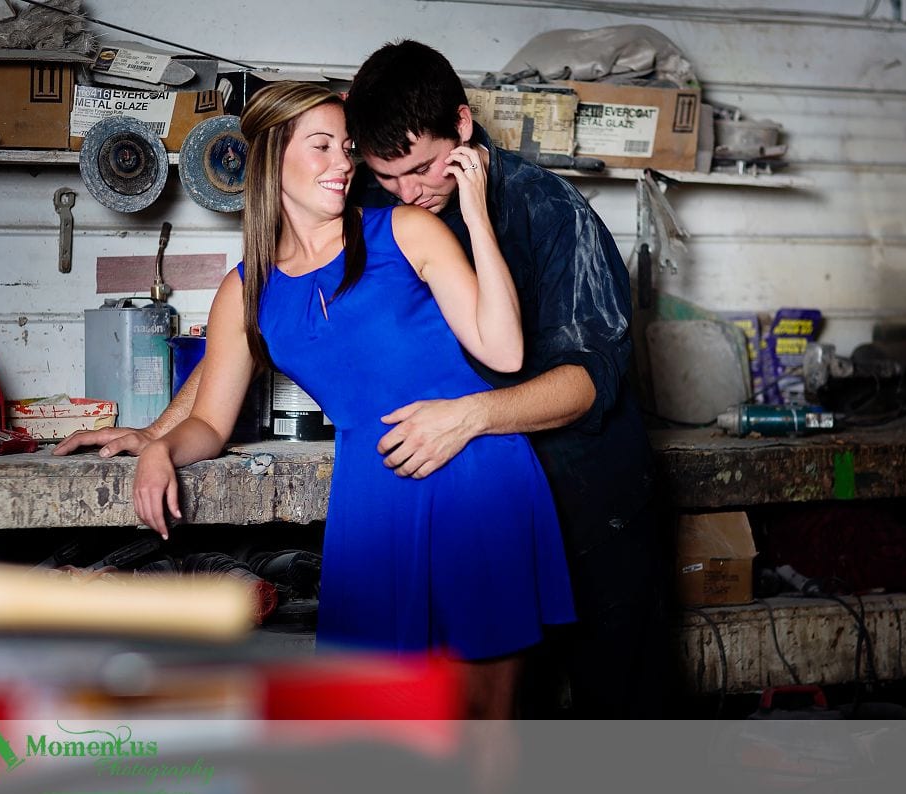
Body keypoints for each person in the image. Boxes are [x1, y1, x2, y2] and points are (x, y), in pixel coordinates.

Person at [58, 41, 668, 718]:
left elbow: (585, 378)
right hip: (387, 483)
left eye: (415, 169)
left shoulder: (543, 215)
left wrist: (465, 415)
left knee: (599, 704)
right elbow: (225, 380)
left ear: (462, 130)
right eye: (365, 162)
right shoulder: (357, 201)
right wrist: (156, 439)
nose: (395, 185)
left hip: (575, 485)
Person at [129, 81, 575, 719]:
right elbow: (209, 420)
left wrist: (475, 214)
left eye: (347, 147)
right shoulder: (244, 293)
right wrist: (158, 449)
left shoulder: (406, 230)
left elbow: (504, 352)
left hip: (477, 477)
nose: (344, 164)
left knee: (480, 721)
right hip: (374, 492)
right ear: (271, 160)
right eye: (322, 147)